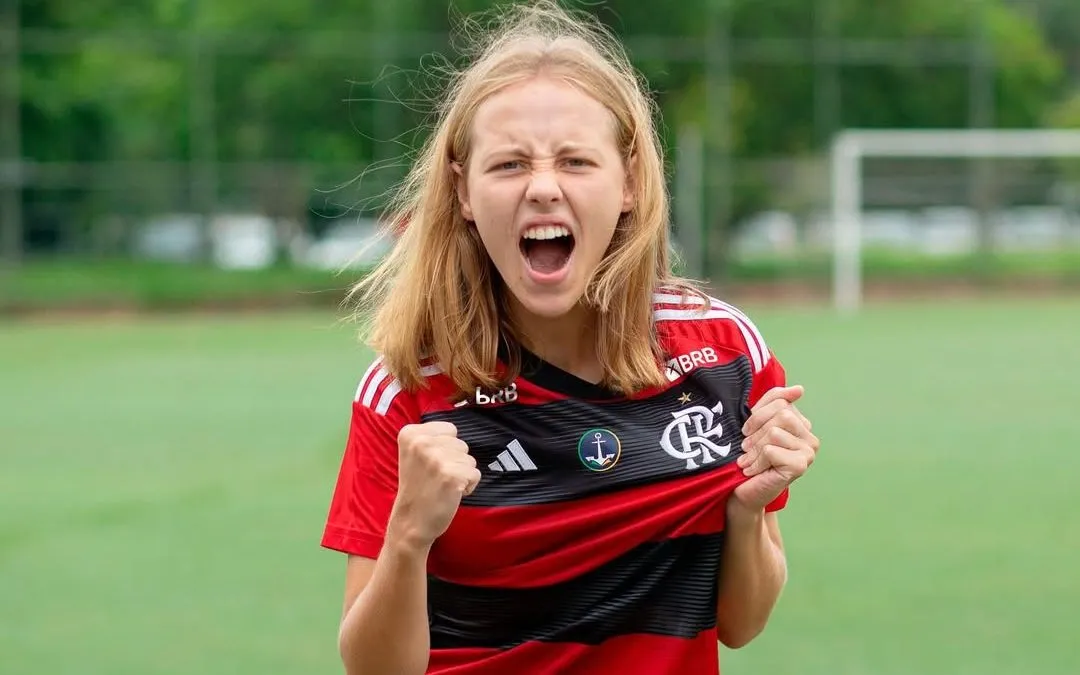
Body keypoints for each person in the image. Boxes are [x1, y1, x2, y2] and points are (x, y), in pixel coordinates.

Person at [320, 2, 820, 673]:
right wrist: (410, 533)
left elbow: (741, 622)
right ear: (462, 190)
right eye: (509, 165)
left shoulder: (725, 352)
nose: (544, 188)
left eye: (576, 162)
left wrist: (748, 508)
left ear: (630, 183)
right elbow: (376, 669)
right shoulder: (408, 390)